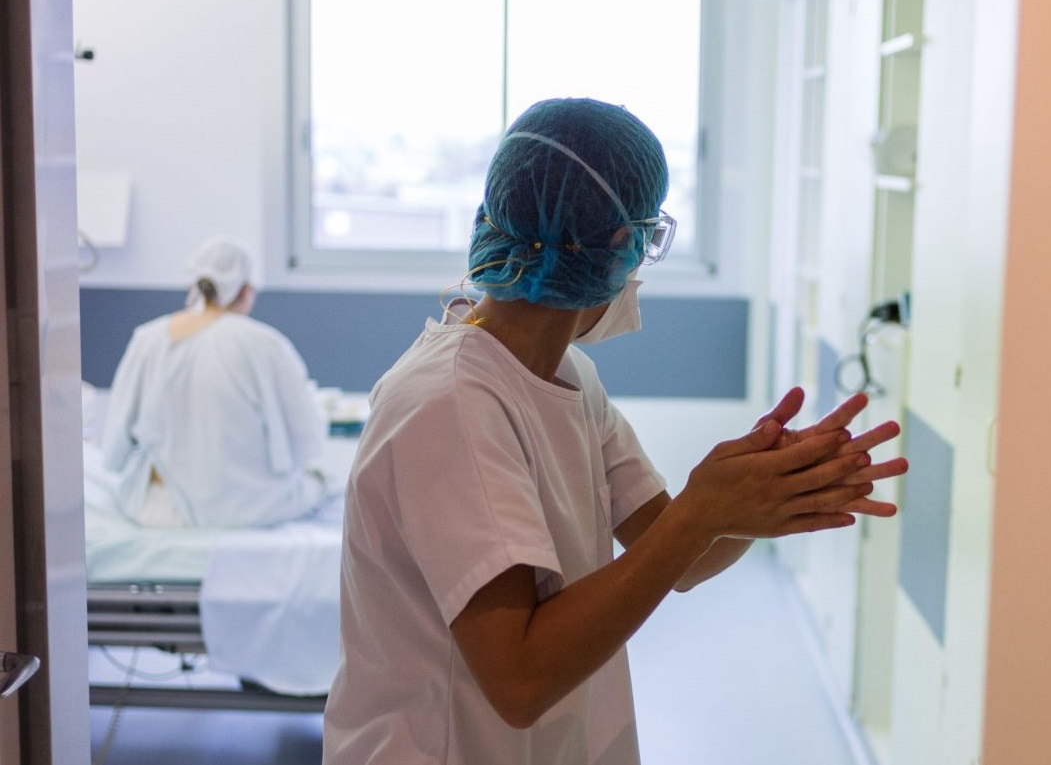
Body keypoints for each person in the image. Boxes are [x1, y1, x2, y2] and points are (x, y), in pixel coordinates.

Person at [321, 98, 908, 765]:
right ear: (624, 247)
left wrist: (758, 496)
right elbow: (519, 678)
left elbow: (680, 558)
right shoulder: (449, 404)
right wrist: (702, 511)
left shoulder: (566, 376)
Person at [100, 236, 329, 528]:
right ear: (246, 291)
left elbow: (116, 445)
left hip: (159, 510)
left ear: (192, 286)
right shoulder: (262, 343)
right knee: (323, 481)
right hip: (244, 508)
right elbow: (306, 442)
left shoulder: (147, 338)